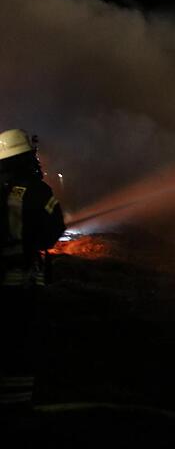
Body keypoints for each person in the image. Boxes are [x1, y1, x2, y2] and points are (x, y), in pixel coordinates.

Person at [0, 129, 66, 415]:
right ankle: (16, 409)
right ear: (27, 157)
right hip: (20, 284)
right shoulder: (36, 191)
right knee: (20, 346)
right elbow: (52, 233)